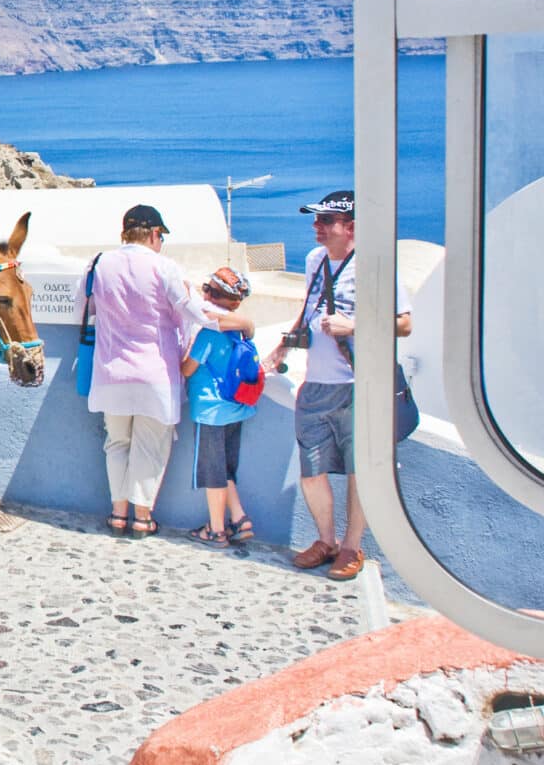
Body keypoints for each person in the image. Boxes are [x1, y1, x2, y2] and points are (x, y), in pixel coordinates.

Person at [265, 190, 412, 583]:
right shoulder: (316, 260)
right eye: (316, 220)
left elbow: (404, 324)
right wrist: (283, 344)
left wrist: (355, 325)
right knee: (311, 470)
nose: (316, 227)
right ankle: (325, 541)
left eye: (325, 221)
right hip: (316, 383)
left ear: (352, 228)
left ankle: (351, 546)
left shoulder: (377, 266)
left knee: (357, 471)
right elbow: (310, 305)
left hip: (358, 384)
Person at [88, 205, 254, 537]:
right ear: (153, 234)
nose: (161, 242)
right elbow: (199, 314)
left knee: (117, 443)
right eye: (161, 236)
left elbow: (88, 307)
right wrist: (246, 323)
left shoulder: (100, 263)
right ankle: (142, 517)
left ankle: (118, 515)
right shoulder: (164, 267)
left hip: (110, 372)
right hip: (155, 375)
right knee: (150, 447)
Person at [183, 267, 257, 548]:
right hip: (237, 408)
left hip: (210, 411)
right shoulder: (244, 332)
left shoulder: (208, 335)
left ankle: (216, 530)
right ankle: (239, 518)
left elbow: (188, 370)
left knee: (212, 472)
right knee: (225, 468)